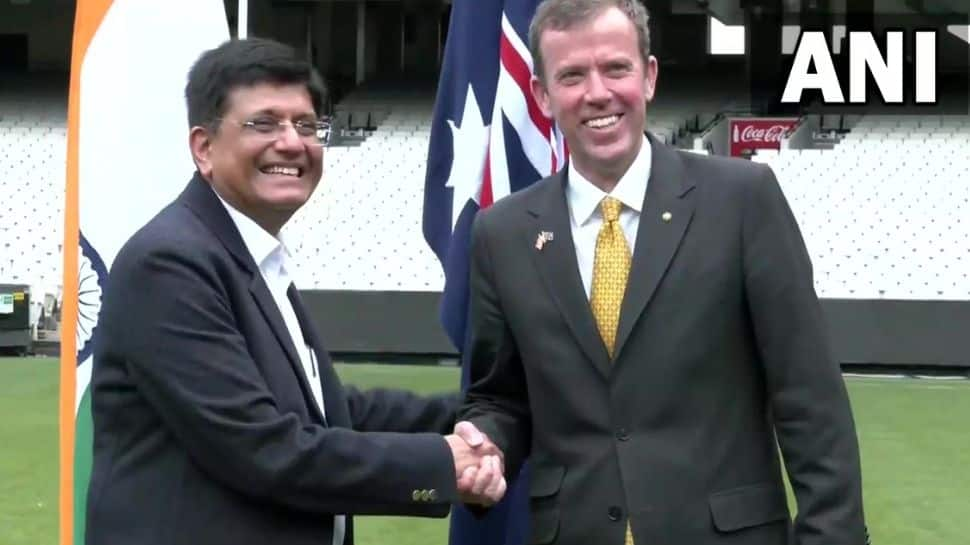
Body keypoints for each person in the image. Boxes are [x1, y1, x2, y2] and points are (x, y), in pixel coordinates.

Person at [457, 1, 867, 544]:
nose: (598, 93)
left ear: (648, 77)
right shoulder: (501, 233)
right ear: (542, 95)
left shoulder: (742, 200)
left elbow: (809, 399)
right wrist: (486, 438)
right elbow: (499, 396)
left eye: (616, 68)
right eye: (572, 75)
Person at [87, 38, 503, 545]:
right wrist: (447, 462)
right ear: (204, 148)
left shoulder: (247, 255)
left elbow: (330, 413)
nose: (292, 142)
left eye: (307, 125)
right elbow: (264, 447)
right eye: (263, 123)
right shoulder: (170, 262)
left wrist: (483, 413)